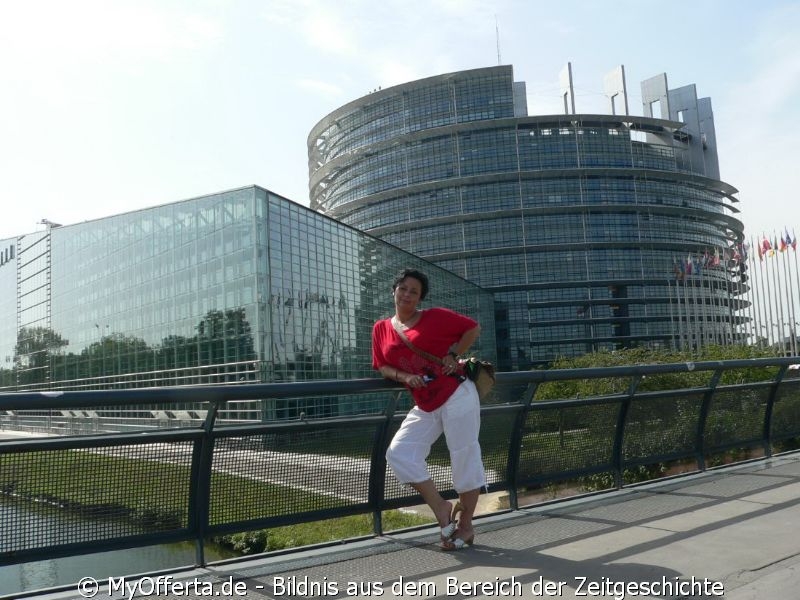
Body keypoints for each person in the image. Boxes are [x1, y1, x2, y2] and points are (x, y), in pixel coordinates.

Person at [371, 268, 486, 550]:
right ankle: (440, 506)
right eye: (403, 288)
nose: (407, 294)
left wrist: (453, 354)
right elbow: (381, 366)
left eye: (414, 292)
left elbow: (472, 327)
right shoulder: (381, 328)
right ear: (394, 290)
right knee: (398, 453)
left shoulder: (434, 317)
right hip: (425, 401)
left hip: (456, 393)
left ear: (420, 298)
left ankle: (467, 527)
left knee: (463, 456)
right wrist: (405, 377)